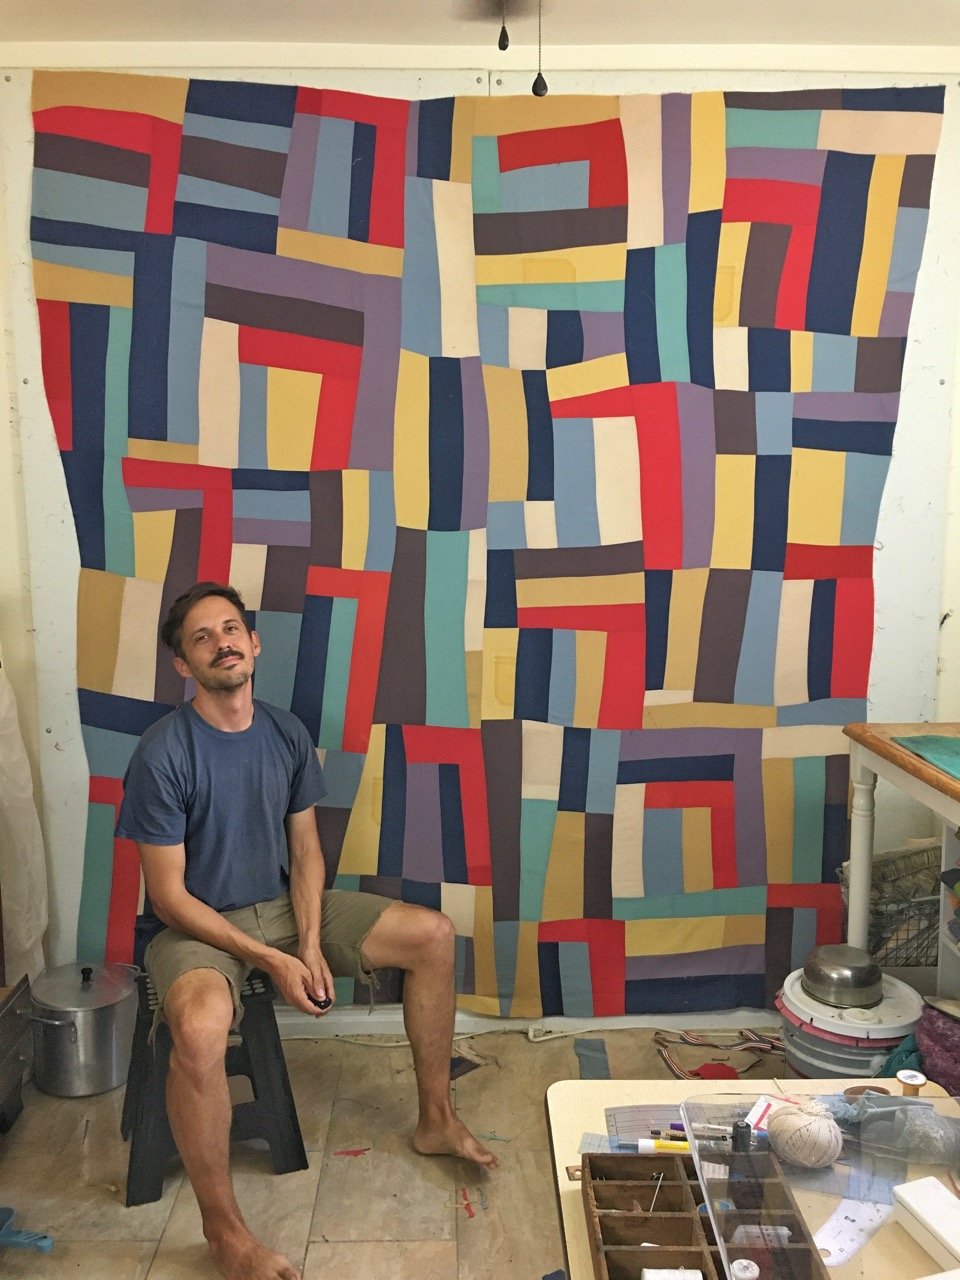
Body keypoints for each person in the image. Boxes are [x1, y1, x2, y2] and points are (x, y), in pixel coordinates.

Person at [116, 581, 496, 1280]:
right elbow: (168, 899)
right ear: (182, 664)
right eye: (201, 637)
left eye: (231, 629)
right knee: (199, 1032)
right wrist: (267, 956)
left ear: (254, 644)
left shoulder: (285, 731)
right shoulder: (162, 753)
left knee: (433, 935)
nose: (221, 642)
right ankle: (225, 1233)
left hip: (285, 910)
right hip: (198, 928)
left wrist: (311, 944)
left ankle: (436, 1118)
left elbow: (308, 851)